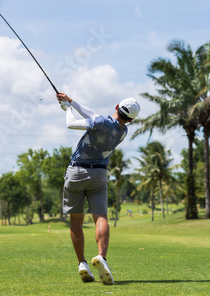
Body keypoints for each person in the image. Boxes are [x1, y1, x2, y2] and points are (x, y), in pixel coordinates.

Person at [57, 92, 140, 285]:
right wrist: (71, 101)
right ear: (131, 119)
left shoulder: (101, 122)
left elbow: (72, 124)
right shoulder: (122, 132)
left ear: (117, 106)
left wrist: (67, 109)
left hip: (77, 172)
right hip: (99, 175)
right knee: (100, 216)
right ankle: (101, 257)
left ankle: (82, 263)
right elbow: (93, 115)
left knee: (76, 220)